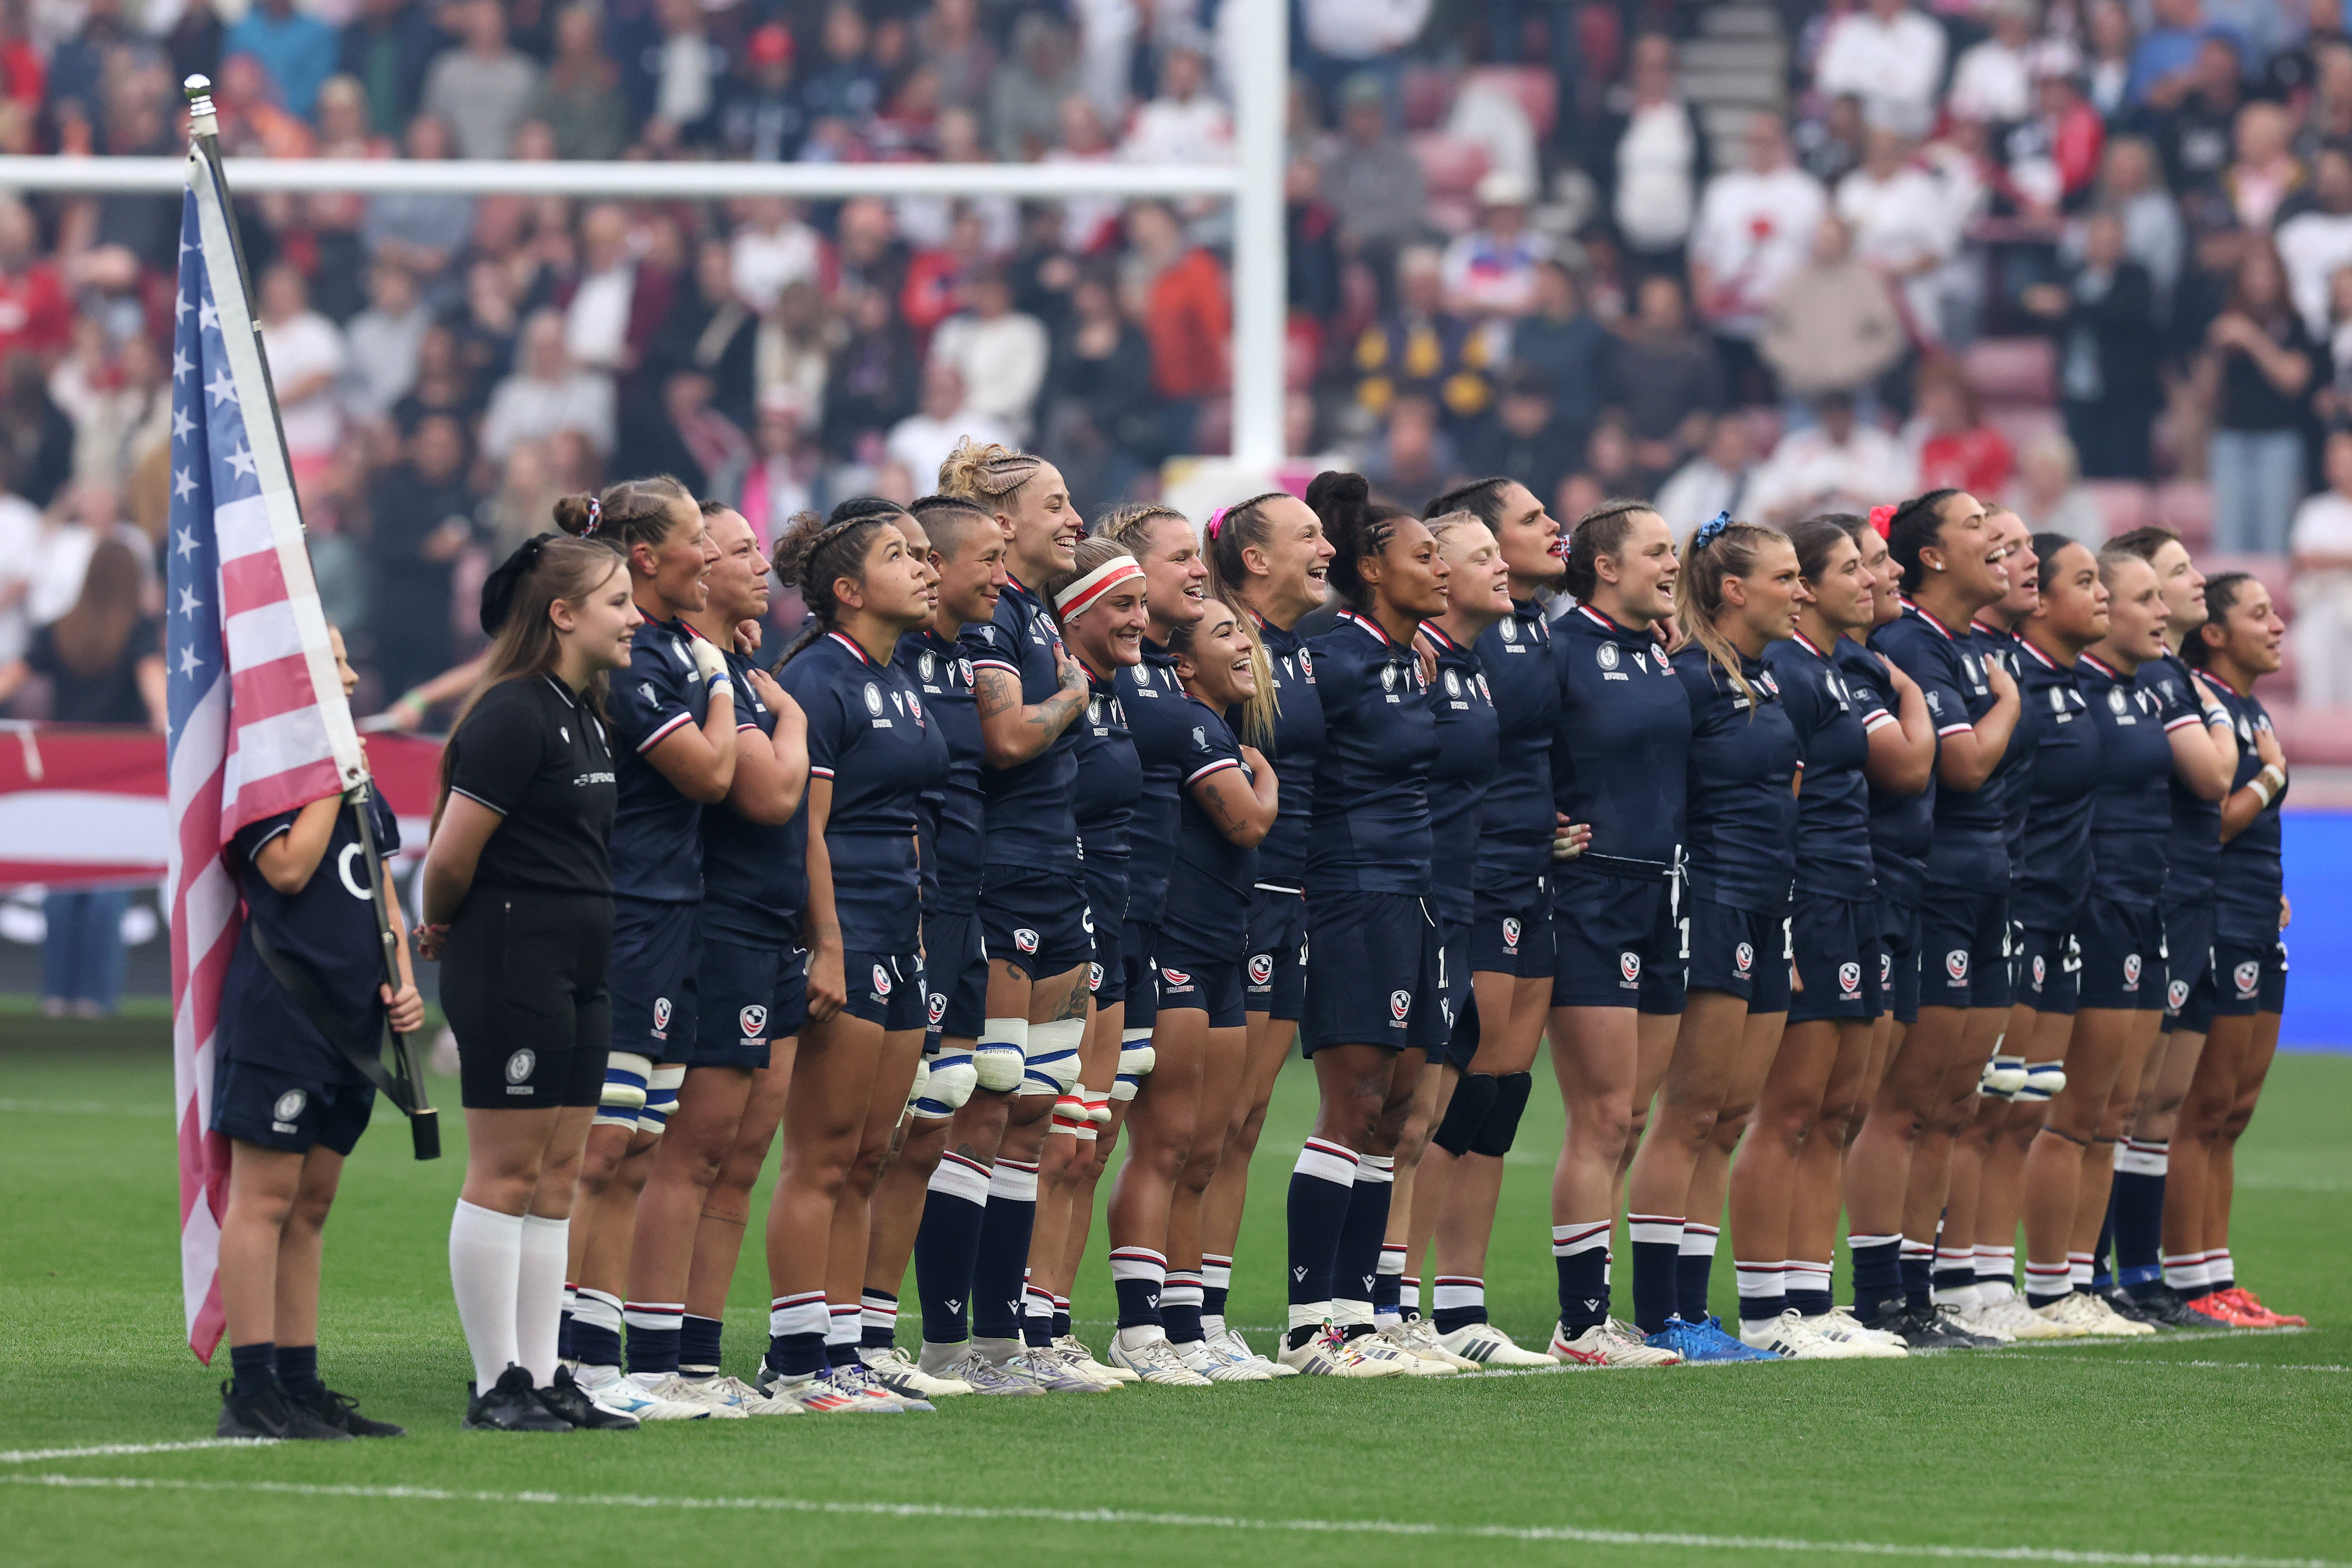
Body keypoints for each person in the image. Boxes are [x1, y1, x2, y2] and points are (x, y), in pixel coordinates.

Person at [422, 532, 643, 1431]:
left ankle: (545, 1374)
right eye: (620, 602)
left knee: (558, 1174)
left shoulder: (584, 710)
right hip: (513, 956)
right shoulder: (513, 713)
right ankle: (495, 1383)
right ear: (563, 614)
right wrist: (440, 922)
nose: (635, 618)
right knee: (507, 1172)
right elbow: (447, 857)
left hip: (581, 959)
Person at [555, 477, 751, 1421]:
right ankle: (572, 1362)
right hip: (626, 913)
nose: (709, 556)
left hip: (676, 914)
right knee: (603, 1149)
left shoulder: (673, 645)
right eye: (694, 542)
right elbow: (713, 775)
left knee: (637, 1146)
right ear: (645, 557)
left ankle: (603, 1358)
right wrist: (720, 678)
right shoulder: (643, 660)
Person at [756, 498, 948, 1411]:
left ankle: (842, 1351)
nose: (925, 566)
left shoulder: (901, 675)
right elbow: (808, 834)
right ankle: (796, 1360)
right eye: (900, 555)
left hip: (899, 936)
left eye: (924, 553)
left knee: (873, 1151)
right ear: (845, 588)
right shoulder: (820, 681)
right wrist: (825, 948)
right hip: (846, 936)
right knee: (823, 1155)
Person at [212, 627, 422, 1440]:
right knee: (264, 1198)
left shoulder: (356, 775)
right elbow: (290, 868)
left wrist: (402, 980)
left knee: (313, 1202)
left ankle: (299, 1384)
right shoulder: (267, 772)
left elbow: (381, 893)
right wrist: (335, 774)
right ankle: (254, 1389)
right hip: (286, 1014)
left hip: (354, 1024)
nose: (353, 672)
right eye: (335, 660)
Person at [922, 441, 1094, 1391]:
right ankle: (949, 1345)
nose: (1073, 520)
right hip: (1000, 880)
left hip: (1054, 880)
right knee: (983, 1109)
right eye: (1056, 506)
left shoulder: (1030, 612)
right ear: (1002, 521)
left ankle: (1003, 1341)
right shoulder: (990, 630)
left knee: (1034, 1112)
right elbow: (1005, 736)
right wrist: (1073, 692)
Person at [2019, 544, 2223, 1337]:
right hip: (2090, 907)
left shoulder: (2142, 692)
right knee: (2071, 1111)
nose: (2157, 612)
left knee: (2115, 1110)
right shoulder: (2077, 693)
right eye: (2141, 598)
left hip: (2148, 906)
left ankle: (2082, 1284)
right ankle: (2045, 1286)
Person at [635, 503, 813, 1410]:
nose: (754, 561)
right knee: (689, 1153)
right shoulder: (712, 679)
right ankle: (653, 1358)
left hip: (773, 932)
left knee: (738, 1159)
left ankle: (698, 1364)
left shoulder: (734, 670)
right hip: (720, 927)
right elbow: (775, 794)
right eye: (737, 548)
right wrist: (791, 713)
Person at [1618, 514, 1802, 1365]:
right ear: (1734, 590)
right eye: (1786, 577)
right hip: (1712, 903)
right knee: (1687, 1114)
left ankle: (1694, 1312)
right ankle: (1664, 1315)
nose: (1799, 591)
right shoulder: (1687, 678)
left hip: (1768, 909)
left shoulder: (1762, 680)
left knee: (1728, 1118)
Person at [1280, 471, 1450, 1377]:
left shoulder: (1406, 654)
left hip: (1412, 895)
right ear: (1374, 570)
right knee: (1351, 1105)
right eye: (1425, 559)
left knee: (1392, 1114)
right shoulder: (1330, 654)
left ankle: (1360, 1317)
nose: (1442, 573)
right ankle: (1311, 1327)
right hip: (1351, 894)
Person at [1846, 490, 2019, 1349]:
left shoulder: (1963, 645)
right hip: (1935, 891)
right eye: (1979, 527)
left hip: (1985, 890)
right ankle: (1879, 1294)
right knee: (1906, 1102)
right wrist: (2011, 706)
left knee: (1952, 1103)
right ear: (1933, 557)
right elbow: (1962, 767)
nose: (1998, 539)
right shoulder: (1909, 641)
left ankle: (1918, 1292)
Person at [1127, 498, 1295, 1377]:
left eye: (1243, 634)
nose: (1242, 647)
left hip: (1225, 945)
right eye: (1222, 636)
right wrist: (1260, 779)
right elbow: (1246, 824)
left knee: (1206, 1144)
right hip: (1178, 948)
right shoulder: (1187, 721)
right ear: (1185, 665)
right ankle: (1139, 1328)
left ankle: (1191, 1326)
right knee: (1165, 1143)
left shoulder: (1210, 722)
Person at [1738, 516, 1912, 1360]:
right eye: (1849, 568)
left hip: (1855, 897)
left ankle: (1812, 1299)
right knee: (1790, 1111)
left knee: (1839, 1110)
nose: (1868, 580)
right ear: (1804, 586)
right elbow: (1784, 804)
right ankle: (1768, 1312)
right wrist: (1792, 922)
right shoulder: (1787, 674)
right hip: (1808, 902)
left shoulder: (1837, 672)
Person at [1417, 478, 1573, 1369]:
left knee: (1501, 1096)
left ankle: (1462, 1307)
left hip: (1530, 872)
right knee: (1448, 1094)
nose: (1552, 528)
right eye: (1526, 521)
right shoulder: (1448, 648)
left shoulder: (1536, 629)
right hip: (1469, 881)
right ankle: (1401, 1301)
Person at [875, 495, 1027, 1396]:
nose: (1000, 582)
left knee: (937, 1125)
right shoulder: (856, 671)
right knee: (870, 1141)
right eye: (987, 562)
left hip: (965, 911)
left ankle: (896, 1340)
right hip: (901, 916)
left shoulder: (968, 653)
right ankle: (828, 1341)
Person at [1541, 499, 1691, 1368]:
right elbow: (1514, 753)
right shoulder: (1559, 653)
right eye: (1656, 552)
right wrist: (1541, 825)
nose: (1671, 564)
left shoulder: (1657, 653)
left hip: (1661, 895)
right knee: (1598, 1115)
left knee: (1633, 1116)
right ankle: (1581, 1324)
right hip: (1592, 896)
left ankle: (1602, 1317)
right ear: (1604, 565)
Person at [1967, 533, 2110, 1344]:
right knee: (1977, 1110)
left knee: (2021, 1109)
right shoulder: (1990, 666)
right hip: (2007, 906)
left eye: (2027, 549)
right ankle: (1960, 1285)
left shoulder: (2043, 675)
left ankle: (1995, 1281)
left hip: (2058, 917)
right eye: (2004, 548)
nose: (2015, 560)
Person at [2162, 573, 2302, 1328]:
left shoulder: (2245, 707)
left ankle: (2219, 1275)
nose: (2277, 625)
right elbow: (2212, 821)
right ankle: (2191, 1283)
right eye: (2259, 613)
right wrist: (2275, 775)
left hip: (2253, 916)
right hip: (2213, 919)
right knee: (2202, 1108)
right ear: (2213, 632)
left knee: (2234, 1111)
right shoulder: (2200, 701)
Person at [1384, 505, 1503, 1376]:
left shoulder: (1467, 666)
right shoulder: (1410, 667)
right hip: (1406, 906)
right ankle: (1369, 1308)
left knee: (1424, 1118)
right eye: (1474, 555)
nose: (1495, 567)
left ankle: (1401, 1306)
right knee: (1393, 1117)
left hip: (1457, 904)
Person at [1025, 536, 1147, 1383]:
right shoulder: (1055, 694)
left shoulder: (1115, 696)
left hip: (1111, 924)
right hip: (1056, 925)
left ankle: (1051, 1327)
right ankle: (1015, 1329)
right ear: (1073, 614)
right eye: (1122, 605)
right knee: (1044, 1136)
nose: (1140, 620)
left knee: (1083, 1139)